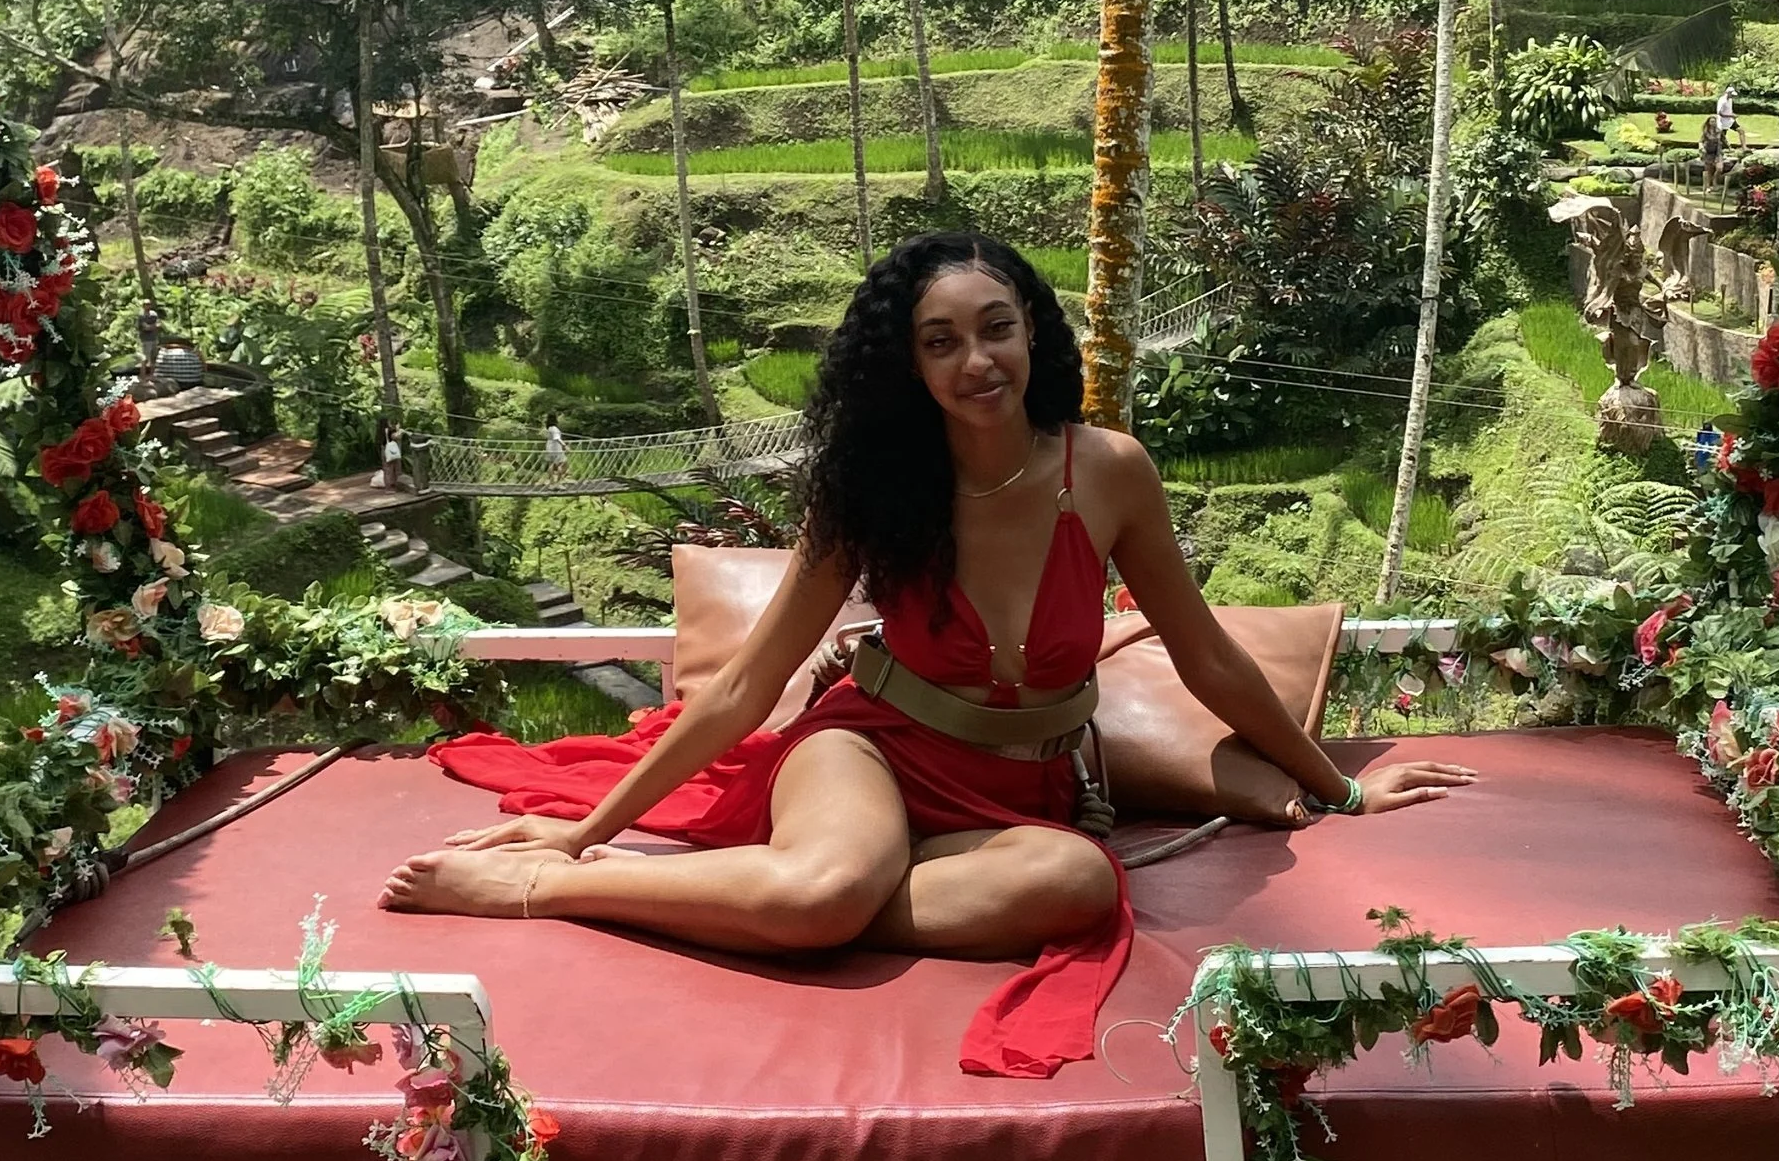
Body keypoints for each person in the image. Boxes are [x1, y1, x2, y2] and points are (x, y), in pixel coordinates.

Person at [388, 234, 1474, 1078]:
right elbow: (747, 691)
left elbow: (1211, 662)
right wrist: (583, 836)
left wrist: (1336, 788)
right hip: (869, 752)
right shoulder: (869, 487)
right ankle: (549, 888)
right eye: (940, 342)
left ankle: (809, 890)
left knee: (1077, 880)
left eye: (994, 328)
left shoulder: (1109, 473)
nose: (975, 361)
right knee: (825, 892)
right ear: (907, 366)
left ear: (1036, 336)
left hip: (1017, 796)